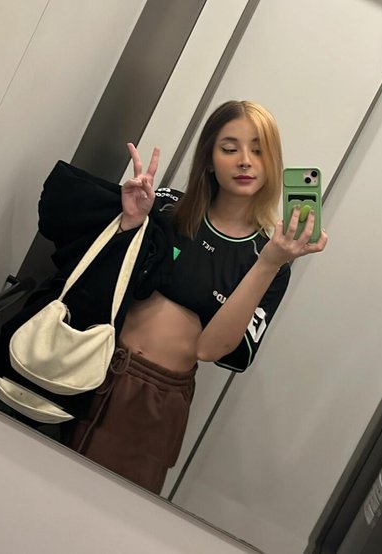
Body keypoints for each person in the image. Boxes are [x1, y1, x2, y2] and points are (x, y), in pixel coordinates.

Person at [67, 100, 328, 493]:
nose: (245, 161)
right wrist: (130, 222)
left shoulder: (269, 257)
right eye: (230, 148)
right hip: (89, 357)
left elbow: (210, 350)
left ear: (273, 163)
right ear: (208, 159)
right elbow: (94, 282)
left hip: (155, 400)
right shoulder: (165, 206)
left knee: (103, 507)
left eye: (258, 150)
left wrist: (270, 262)